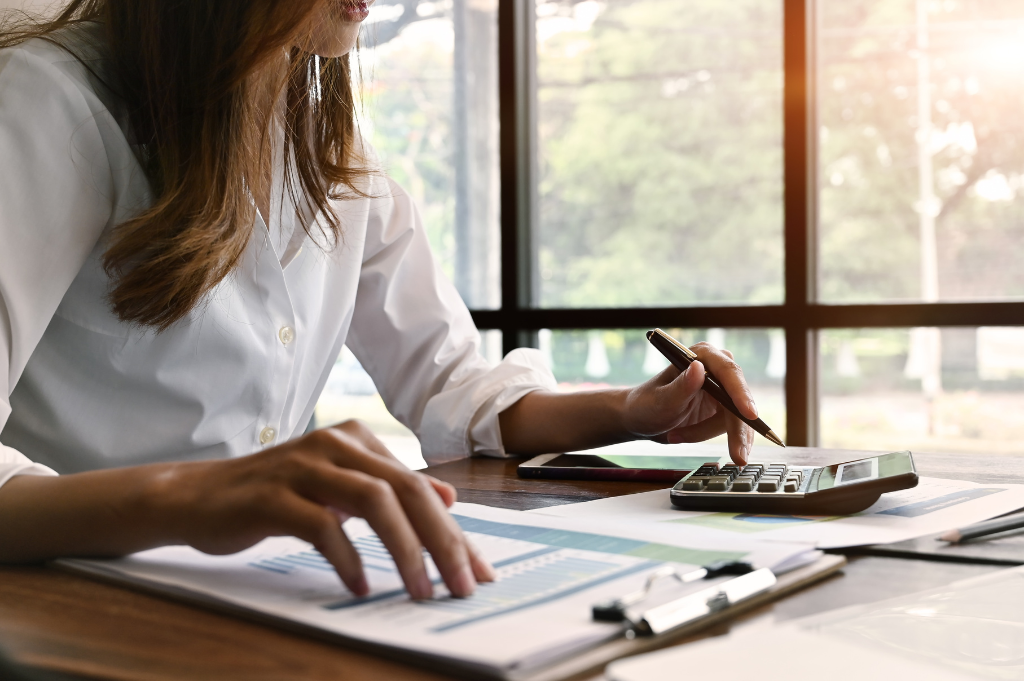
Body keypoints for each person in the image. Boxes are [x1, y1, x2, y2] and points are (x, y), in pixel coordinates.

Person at [0, 0, 758, 601]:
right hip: (72, 609)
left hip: (265, 596)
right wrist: (194, 495)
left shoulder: (323, 143)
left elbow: (454, 385)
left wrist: (631, 409)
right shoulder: (46, 105)